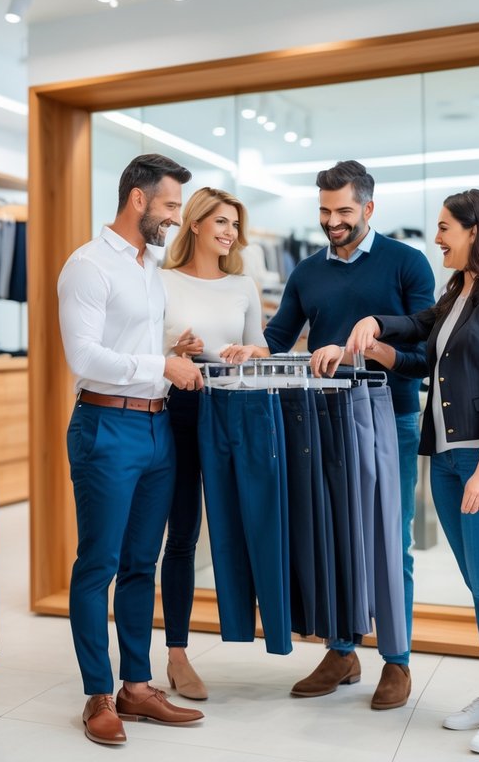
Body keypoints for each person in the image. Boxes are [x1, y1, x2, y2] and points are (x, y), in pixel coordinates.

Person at [325, 188, 479, 754]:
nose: (437, 238)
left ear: (474, 231)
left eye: (445, 228)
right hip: (445, 457)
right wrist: (374, 330)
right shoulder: (457, 291)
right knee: (477, 584)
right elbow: (417, 336)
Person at [263, 160, 435, 710]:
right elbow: (277, 337)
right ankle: (342, 651)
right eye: (324, 212)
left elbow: (422, 358)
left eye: (343, 211)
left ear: (368, 207)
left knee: (389, 539)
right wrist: (247, 349)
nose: (332, 222)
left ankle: (397, 659)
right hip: (323, 421)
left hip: (393, 417)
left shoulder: (407, 264)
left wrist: (368, 348)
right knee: (333, 534)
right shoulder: (307, 272)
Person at [56, 153, 206, 746]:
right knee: (99, 565)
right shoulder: (87, 266)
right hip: (105, 426)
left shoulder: (148, 268)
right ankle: (97, 694)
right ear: (138, 200)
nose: (175, 217)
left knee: (143, 562)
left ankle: (136, 687)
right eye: (170, 205)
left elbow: (133, 343)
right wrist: (159, 362)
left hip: (155, 427)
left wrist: (175, 348)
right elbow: (85, 356)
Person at [157, 186, 269, 700]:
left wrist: (251, 351)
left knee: (241, 524)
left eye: (234, 225)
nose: (229, 233)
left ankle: (252, 625)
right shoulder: (160, 281)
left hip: (230, 410)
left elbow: (261, 349)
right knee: (182, 534)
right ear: (196, 224)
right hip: (177, 410)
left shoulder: (244, 284)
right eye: (221, 222)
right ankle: (177, 655)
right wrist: (174, 348)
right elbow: (145, 349)